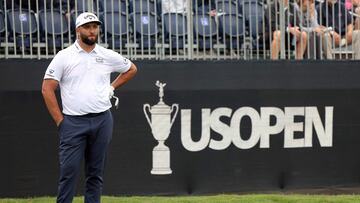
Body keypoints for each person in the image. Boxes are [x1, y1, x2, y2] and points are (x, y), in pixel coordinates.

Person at [41, 12, 137, 203]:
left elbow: (131, 69)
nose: (92, 30)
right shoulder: (64, 56)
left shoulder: (106, 54)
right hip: (73, 122)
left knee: (95, 174)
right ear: (78, 30)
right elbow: (47, 89)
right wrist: (61, 122)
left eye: (95, 26)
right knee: (68, 174)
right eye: (87, 27)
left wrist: (112, 87)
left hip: (102, 120)